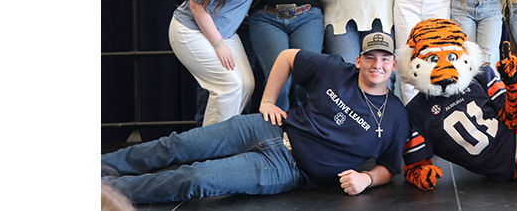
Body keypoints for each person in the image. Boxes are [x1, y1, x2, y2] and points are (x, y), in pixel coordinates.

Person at [101, 32, 408, 204]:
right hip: (267, 127)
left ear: (393, 65)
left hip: (287, 169)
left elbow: (390, 167)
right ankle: (105, 166)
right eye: (369, 57)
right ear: (359, 59)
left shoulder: (395, 115)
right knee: (177, 145)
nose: (376, 65)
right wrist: (268, 100)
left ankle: (109, 194)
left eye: (384, 59)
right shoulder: (336, 70)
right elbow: (288, 57)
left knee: (196, 179)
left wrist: (366, 178)